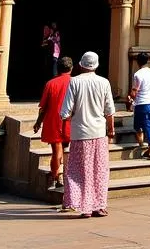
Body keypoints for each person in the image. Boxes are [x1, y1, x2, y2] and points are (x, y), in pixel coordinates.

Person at [60, 51, 115, 219]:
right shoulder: (104, 82)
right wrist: (111, 130)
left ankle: (84, 207)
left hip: (80, 133)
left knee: (79, 171)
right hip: (99, 133)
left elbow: (65, 112)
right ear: (96, 65)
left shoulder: (74, 82)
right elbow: (110, 110)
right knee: (100, 170)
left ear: (81, 65)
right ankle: (99, 205)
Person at [33, 55, 73, 192]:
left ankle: (56, 176)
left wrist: (38, 122)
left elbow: (43, 107)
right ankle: (64, 176)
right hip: (71, 121)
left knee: (56, 151)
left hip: (54, 121)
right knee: (66, 149)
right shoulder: (75, 82)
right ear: (72, 68)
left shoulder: (51, 84)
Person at [127, 52, 150, 159]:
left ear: (137, 61)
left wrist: (130, 98)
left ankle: (141, 145)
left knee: (139, 126)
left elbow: (135, 91)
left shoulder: (138, 74)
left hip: (141, 104)